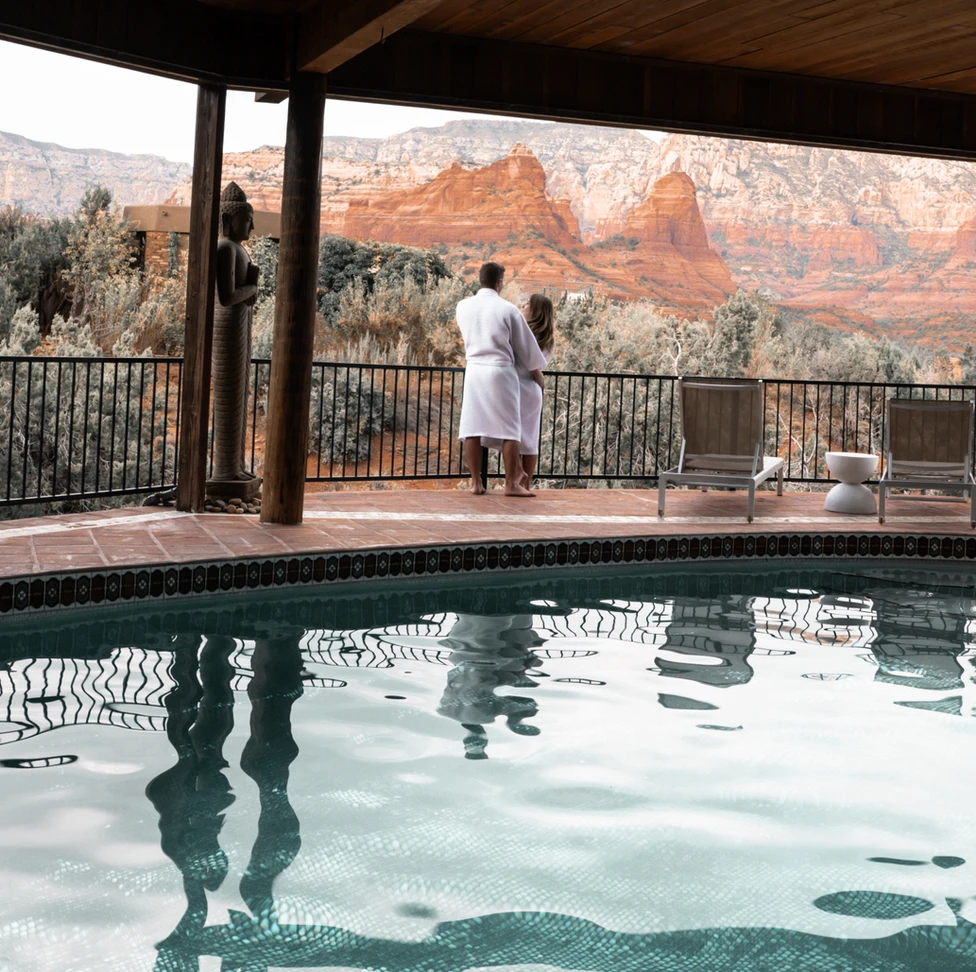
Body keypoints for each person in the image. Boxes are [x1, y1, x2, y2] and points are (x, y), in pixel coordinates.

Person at [457, 262, 547, 496]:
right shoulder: (508, 310)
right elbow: (526, 348)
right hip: (500, 372)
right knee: (510, 430)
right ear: (500, 282)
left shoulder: (462, 306)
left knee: (472, 427)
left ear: (480, 280)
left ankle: (476, 483)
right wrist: (537, 372)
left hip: (474, 370)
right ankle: (511, 485)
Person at [516, 294, 555, 490]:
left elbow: (525, 360)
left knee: (513, 437)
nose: (524, 305)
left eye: (528, 303)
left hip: (516, 387)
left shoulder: (523, 333)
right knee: (530, 439)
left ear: (536, 310)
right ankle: (526, 484)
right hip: (532, 389)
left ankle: (515, 481)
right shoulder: (548, 338)